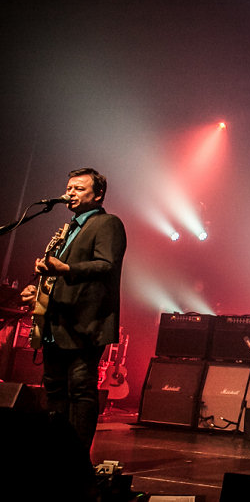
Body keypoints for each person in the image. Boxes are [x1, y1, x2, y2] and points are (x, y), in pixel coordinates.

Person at [20, 167, 127, 452]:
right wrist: (38, 289)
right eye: (69, 188)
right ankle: (58, 454)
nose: (70, 193)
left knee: (81, 389)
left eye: (79, 188)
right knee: (54, 388)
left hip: (85, 323)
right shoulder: (68, 229)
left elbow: (107, 265)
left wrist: (66, 268)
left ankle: (77, 459)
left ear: (99, 194)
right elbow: (58, 276)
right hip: (57, 321)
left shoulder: (108, 224)